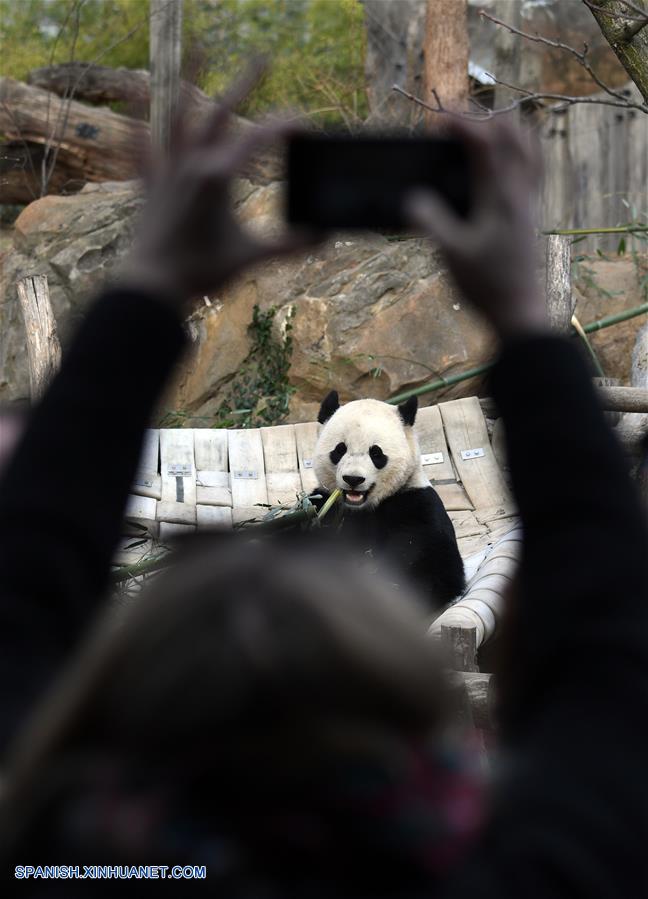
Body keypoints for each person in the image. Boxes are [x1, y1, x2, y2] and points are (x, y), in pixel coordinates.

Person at [0, 67, 646, 897]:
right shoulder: (536, 868)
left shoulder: (66, 850)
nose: (351, 470)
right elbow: (610, 653)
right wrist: (522, 318)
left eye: (368, 458)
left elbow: (18, 601)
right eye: (341, 454)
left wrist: (148, 288)